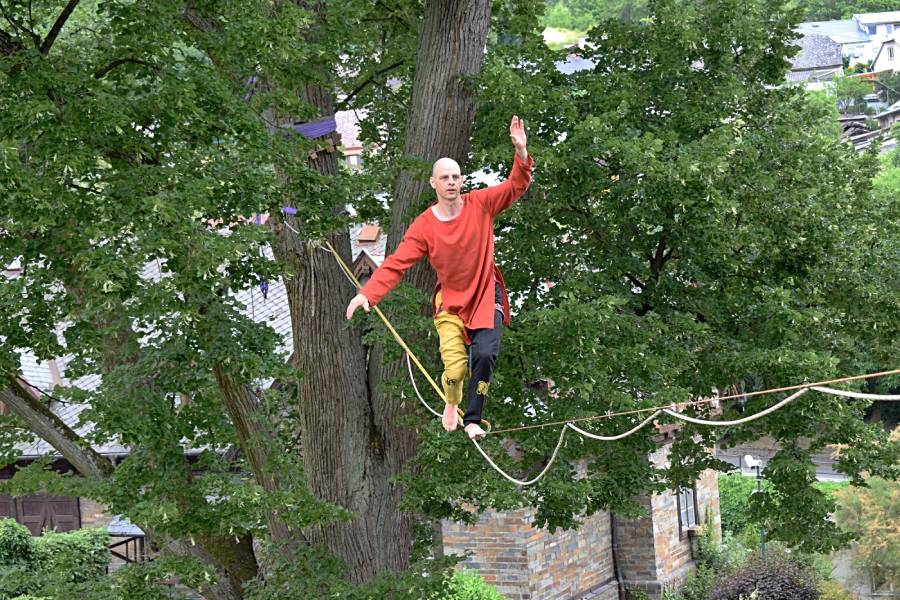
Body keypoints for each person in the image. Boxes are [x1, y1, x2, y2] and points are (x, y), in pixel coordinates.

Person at [345, 116, 533, 439]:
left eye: (456, 177)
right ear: (433, 183)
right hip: (451, 303)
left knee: (487, 354)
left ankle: (473, 418)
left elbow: (516, 186)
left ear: (462, 181)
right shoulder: (425, 227)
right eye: (444, 177)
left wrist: (521, 152)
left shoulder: (481, 205)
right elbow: (396, 263)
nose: (451, 182)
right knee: (456, 370)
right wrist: (367, 294)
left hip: (487, 294)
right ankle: (451, 400)